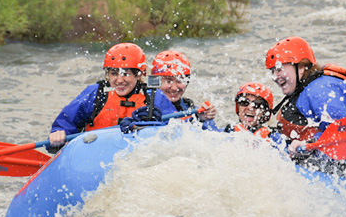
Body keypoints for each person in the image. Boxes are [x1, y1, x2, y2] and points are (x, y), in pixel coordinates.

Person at [265, 36, 346, 177]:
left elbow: (343, 130)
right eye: (272, 71)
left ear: (301, 67)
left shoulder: (320, 90)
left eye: (279, 69)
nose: (275, 76)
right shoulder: (306, 89)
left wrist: (308, 144)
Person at [48, 43, 176, 149]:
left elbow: (179, 129)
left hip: (136, 156)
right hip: (95, 154)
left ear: (139, 75)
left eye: (126, 74)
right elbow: (65, 122)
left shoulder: (154, 97)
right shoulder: (95, 94)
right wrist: (58, 133)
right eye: (114, 74)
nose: (119, 80)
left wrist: (156, 125)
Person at [150, 50, 219, 130]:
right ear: (155, 82)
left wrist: (201, 120)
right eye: (168, 81)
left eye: (180, 81)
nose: (175, 88)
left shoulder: (193, 110)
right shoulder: (143, 107)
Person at [224, 82, 285, 146]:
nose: (250, 108)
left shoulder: (274, 138)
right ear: (238, 107)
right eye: (244, 102)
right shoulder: (228, 131)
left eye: (257, 104)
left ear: (265, 112)